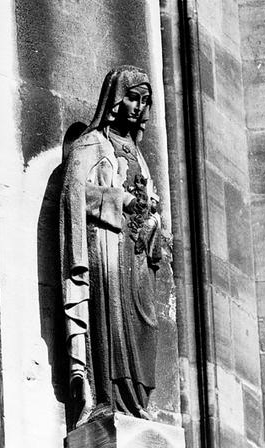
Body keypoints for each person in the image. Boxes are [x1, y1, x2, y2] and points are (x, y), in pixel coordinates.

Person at [60, 65, 162, 428]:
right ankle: (111, 398)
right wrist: (118, 200)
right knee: (113, 324)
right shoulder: (92, 143)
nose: (138, 107)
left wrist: (154, 222)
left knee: (144, 322)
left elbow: (149, 197)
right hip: (107, 246)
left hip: (137, 251)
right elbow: (75, 195)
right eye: (133, 98)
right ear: (117, 99)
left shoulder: (136, 151)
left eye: (144, 101)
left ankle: (138, 399)